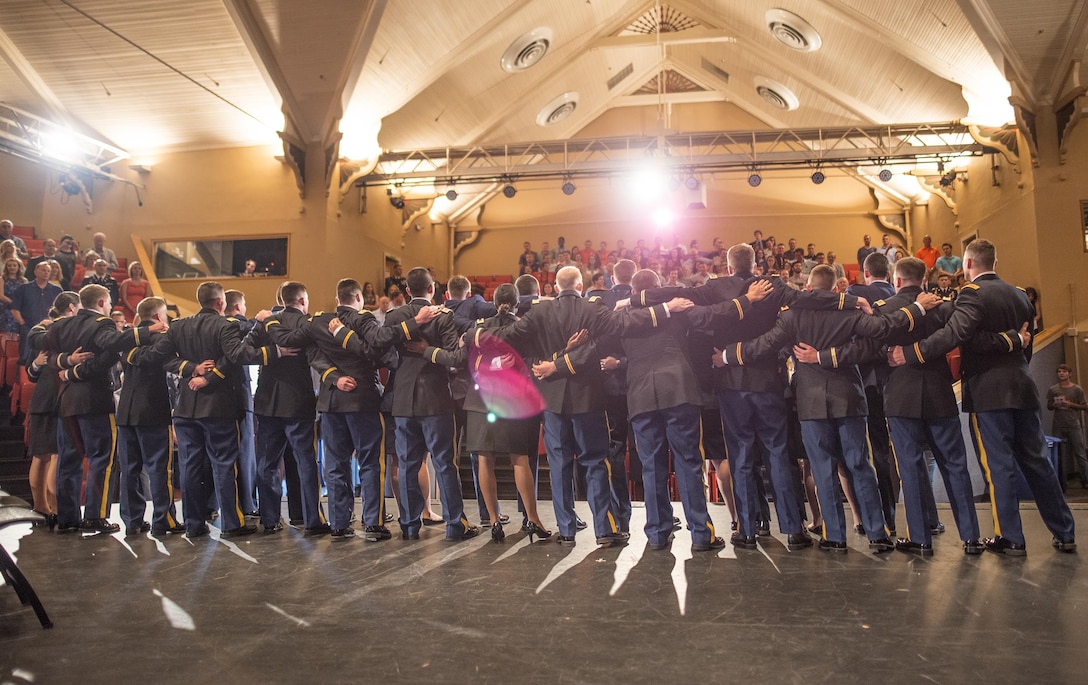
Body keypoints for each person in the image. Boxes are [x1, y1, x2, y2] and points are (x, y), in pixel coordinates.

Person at [719, 265, 930, 553]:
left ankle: (835, 536)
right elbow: (879, 335)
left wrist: (727, 355)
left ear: (807, 285)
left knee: (823, 470)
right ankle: (877, 533)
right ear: (835, 289)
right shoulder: (851, 311)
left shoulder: (791, 316)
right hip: (850, 398)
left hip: (811, 401)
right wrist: (917, 308)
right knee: (860, 466)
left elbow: (764, 346)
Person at [889, 238, 1076, 555]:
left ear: (968, 265)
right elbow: (1026, 344)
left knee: (998, 466)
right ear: (995, 262)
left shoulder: (971, 296)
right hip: (1023, 384)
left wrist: (912, 352)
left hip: (989, 392)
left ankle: (1011, 537)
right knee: (1038, 463)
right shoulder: (1019, 294)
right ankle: (1065, 531)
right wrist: (1012, 341)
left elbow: (957, 336)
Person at [795, 258, 983, 556]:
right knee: (955, 465)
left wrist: (892, 353)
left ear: (896, 280)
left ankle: (920, 538)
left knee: (909, 466)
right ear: (923, 279)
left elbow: (868, 347)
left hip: (899, 396)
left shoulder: (884, 309)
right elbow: (957, 338)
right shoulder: (945, 308)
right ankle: (971, 538)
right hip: (940, 394)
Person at [493, 266, 687, 547]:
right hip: (588, 398)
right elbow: (625, 324)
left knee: (558, 465)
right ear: (581, 285)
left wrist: (475, 337)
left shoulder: (538, 312)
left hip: (551, 400)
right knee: (596, 462)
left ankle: (567, 529)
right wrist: (665, 309)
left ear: (556, 287)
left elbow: (510, 338)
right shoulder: (592, 309)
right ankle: (603, 529)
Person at [409, 283, 552, 544]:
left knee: (484, 460)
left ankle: (494, 521)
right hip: (513, 400)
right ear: (516, 303)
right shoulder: (523, 328)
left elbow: (460, 359)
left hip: (479, 401)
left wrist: (429, 351)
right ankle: (533, 519)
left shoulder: (477, 329)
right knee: (519, 459)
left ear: (494, 302)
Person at [305, 279, 435, 539]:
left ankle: (340, 524)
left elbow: (311, 353)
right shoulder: (364, 321)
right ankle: (373, 522)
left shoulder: (319, 322)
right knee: (370, 463)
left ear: (337, 297)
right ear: (358, 298)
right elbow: (379, 348)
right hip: (362, 399)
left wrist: (332, 376)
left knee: (335, 465)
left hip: (331, 402)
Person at [148, 281, 280, 538]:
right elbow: (236, 356)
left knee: (190, 468)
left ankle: (194, 524)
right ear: (221, 303)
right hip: (219, 407)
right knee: (224, 466)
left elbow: (161, 358)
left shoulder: (178, 326)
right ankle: (232, 522)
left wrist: (190, 368)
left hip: (186, 406)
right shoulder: (226, 325)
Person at [30, 284, 161, 534]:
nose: (111, 306)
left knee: (68, 460)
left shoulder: (61, 324)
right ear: (101, 303)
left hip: (65, 401)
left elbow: (35, 338)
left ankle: (68, 518)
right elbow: (112, 342)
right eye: (109, 302)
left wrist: (65, 363)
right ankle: (94, 516)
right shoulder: (102, 323)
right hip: (94, 401)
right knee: (102, 459)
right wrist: (146, 332)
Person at [381, 267, 477, 541]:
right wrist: (430, 352)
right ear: (433, 289)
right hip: (435, 399)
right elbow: (456, 359)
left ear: (408, 291)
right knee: (445, 464)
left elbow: (382, 351)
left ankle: (410, 527)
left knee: (409, 465)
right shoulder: (442, 316)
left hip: (403, 401)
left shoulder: (394, 317)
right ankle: (455, 525)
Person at [115, 296, 184, 536]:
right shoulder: (162, 339)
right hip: (152, 411)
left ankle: (133, 521)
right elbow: (169, 364)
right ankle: (164, 520)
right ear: (158, 317)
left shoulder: (128, 339)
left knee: (129, 470)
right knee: (159, 468)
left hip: (126, 412)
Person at [11, 262, 62, 363]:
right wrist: (22, 323)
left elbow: (61, 310)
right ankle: (22, 377)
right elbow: (15, 309)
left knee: (47, 357)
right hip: (27, 327)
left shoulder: (57, 290)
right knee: (25, 357)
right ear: (35, 272)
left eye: (48, 271)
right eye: (43, 270)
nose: (46, 273)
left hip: (49, 329)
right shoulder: (24, 288)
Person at [1047, 364, 1088, 489]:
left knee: (1080, 453)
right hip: (1058, 424)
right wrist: (1055, 404)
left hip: (1073, 424)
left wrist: (1070, 404)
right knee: (1058, 454)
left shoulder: (1077, 389)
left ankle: (1085, 480)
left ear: (1069, 374)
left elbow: (1085, 407)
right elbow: (1048, 406)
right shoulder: (1053, 389)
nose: (1061, 374)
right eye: (1059, 371)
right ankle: (1060, 481)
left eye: (1064, 371)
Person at [0, 257, 26, 333]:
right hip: (5, 309)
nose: (12, 267)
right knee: (6, 332)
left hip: (19, 309)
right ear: (6, 267)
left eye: (14, 265)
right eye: (9, 265)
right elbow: (1, 295)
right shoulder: (2, 279)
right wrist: (13, 303)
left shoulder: (24, 280)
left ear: (18, 267)